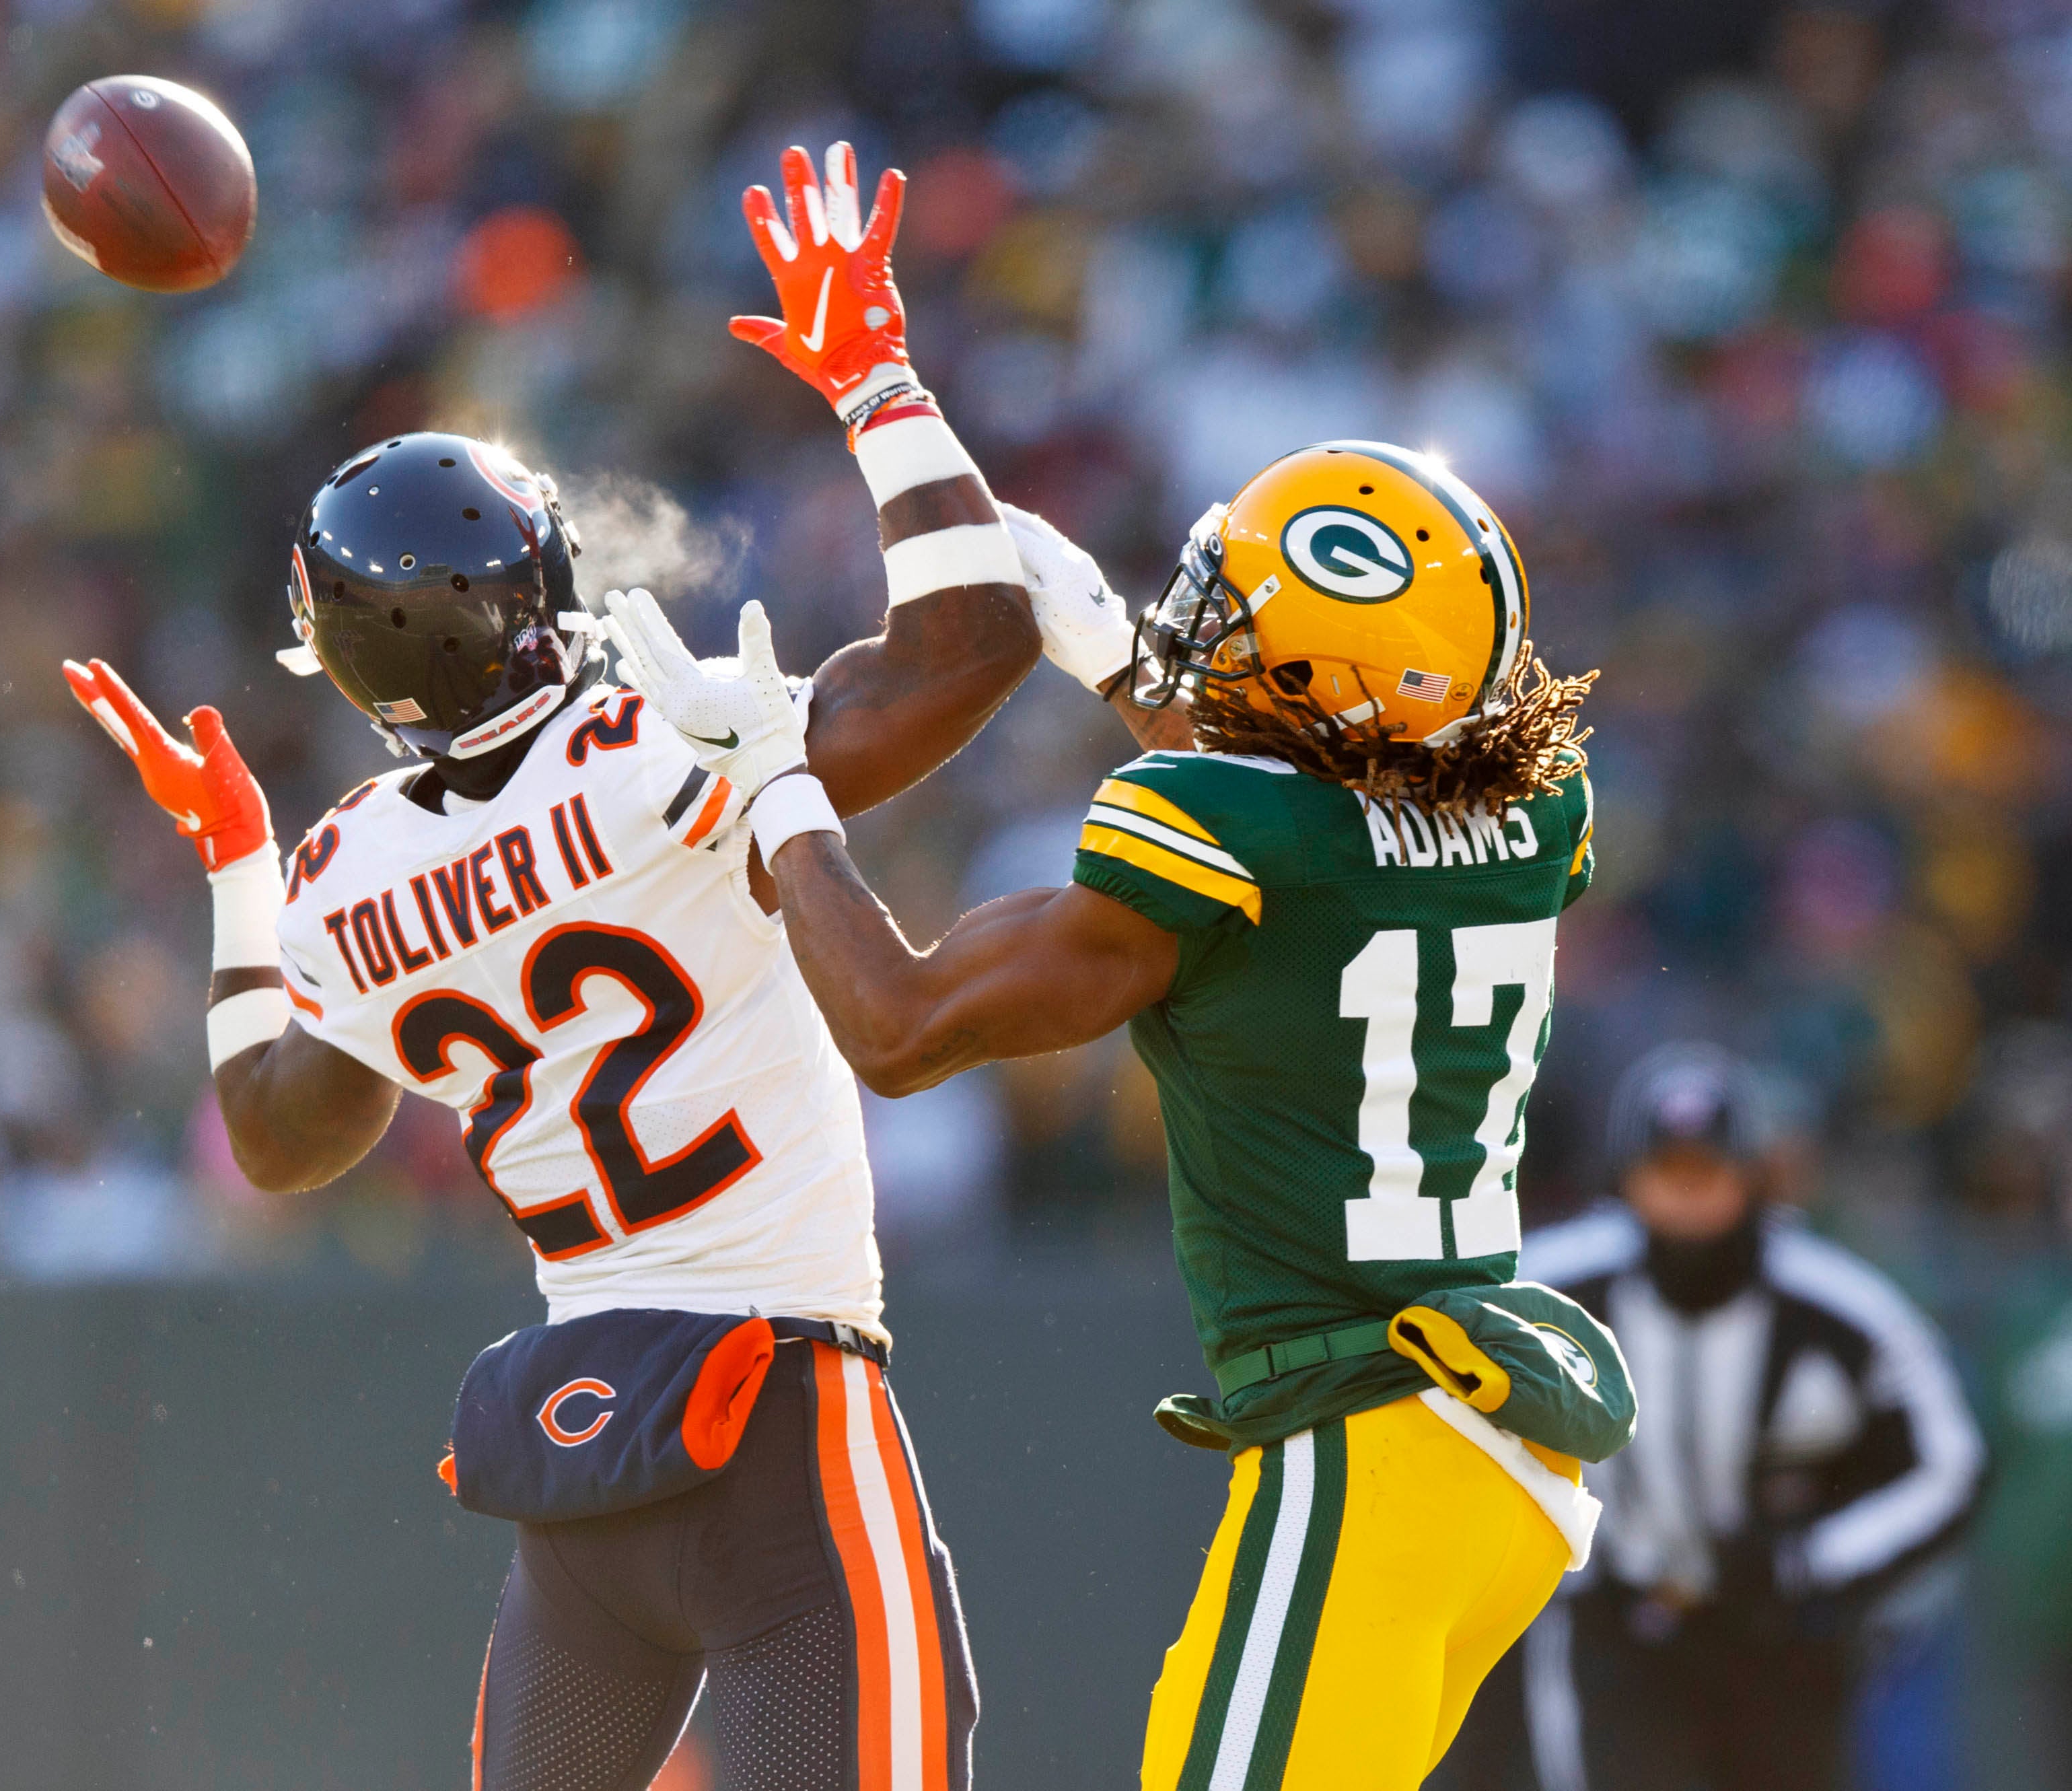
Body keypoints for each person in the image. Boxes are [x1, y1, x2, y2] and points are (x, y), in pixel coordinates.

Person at [63, 145, 1059, 1791]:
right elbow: (977, 645)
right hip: (781, 1424)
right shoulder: (655, 743)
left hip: (581, 1474)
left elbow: (278, 1133)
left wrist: (239, 872)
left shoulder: (348, 869)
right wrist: (875, 375)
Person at [599, 442, 1635, 1789]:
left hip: (1368, 1441)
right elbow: (1327, 842)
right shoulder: (1530, 807)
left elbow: (900, 1026)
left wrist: (778, 787)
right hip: (1493, 1449)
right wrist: (1122, 675)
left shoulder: (1222, 829)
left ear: (1338, 674)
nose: (1204, 633)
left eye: (1248, 627)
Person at [1439, 1043, 1986, 1791]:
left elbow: (1949, 1464)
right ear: (1625, 1180)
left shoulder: (1840, 1312)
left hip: (1781, 1637)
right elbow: (1439, 1410)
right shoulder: (1548, 1291)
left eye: (1708, 1174)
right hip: (1615, 1629)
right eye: (1666, 1174)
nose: (1687, 1200)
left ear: (1755, 1178)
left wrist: (1812, 1563)